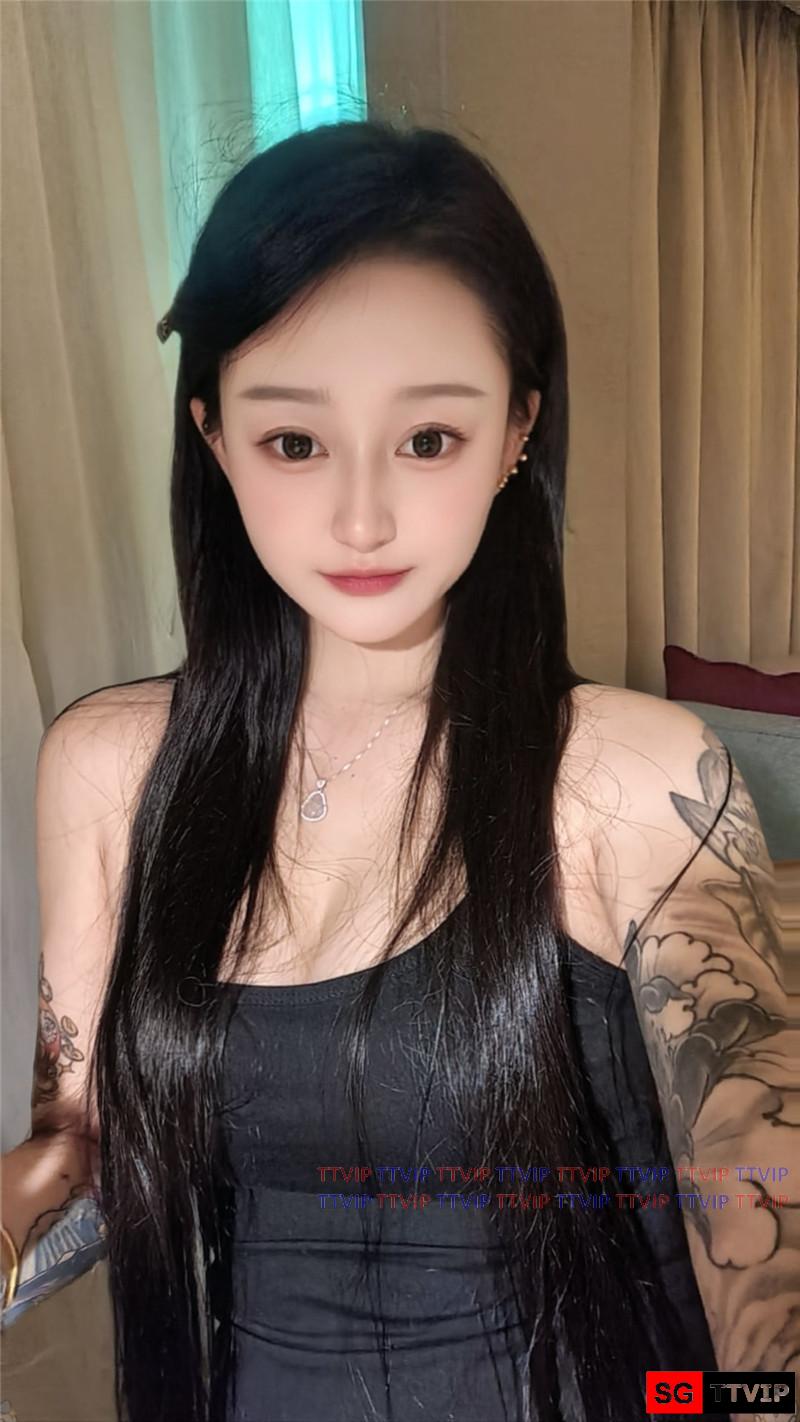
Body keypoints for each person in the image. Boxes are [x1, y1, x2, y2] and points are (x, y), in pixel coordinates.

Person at [2, 118, 795, 1422]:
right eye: (295, 442)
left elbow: (767, 1239)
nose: (362, 515)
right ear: (213, 435)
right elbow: (78, 1154)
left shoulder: (632, 779)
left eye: (427, 439)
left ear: (517, 428)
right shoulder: (109, 768)